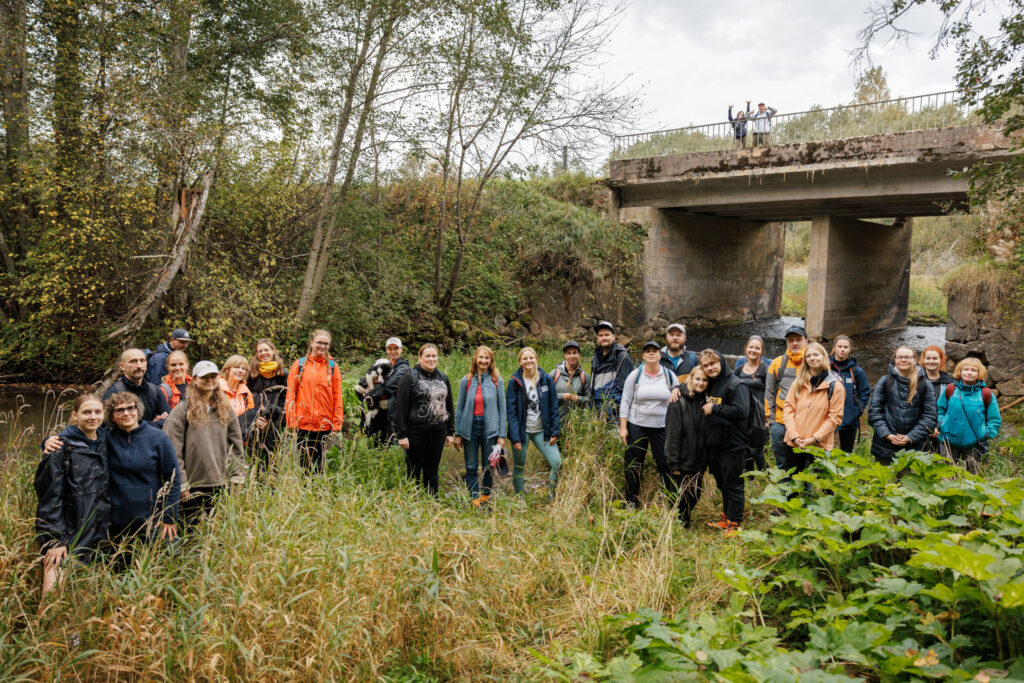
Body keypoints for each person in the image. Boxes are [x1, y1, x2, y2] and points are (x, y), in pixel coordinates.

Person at [34, 393, 110, 606]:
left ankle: (74, 641)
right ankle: (41, 637)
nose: (93, 417)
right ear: (75, 416)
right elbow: (49, 498)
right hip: (66, 534)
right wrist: (54, 540)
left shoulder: (106, 440)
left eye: (97, 412)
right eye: (87, 412)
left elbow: (141, 427)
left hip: (98, 534)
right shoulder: (59, 448)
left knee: (82, 601)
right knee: (52, 601)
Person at [164, 361, 246, 527]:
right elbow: (172, 450)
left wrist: (238, 475)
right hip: (192, 486)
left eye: (213, 376)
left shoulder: (226, 408)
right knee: (190, 532)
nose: (209, 380)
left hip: (221, 483)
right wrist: (181, 484)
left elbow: (236, 444)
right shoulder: (182, 410)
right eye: (204, 377)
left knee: (217, 532)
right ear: (194, 379)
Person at [103, 392, 181, 543]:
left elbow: (173, 478)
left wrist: (169, 516)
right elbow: (78, 436)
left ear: (138, 411)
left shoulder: (157, 437)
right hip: (116, 520)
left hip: (151, 517)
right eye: (119, 410)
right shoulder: (106, 438)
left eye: (131, 408)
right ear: (112, 417)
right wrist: (49, 440)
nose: (126, 413)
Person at [619, 341, 681, 509]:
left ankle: (671, 501)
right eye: (648, 351)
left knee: (665, 464)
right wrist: (623, 428)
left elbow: (678, 392)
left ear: (660, 355)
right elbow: (625, 401)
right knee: (634, 463)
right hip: (637, 425)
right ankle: (631, 500)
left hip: (661, 427)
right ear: (643, 355)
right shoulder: (635, 375)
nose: (652, 353)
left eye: (655, 351)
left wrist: (676, 389)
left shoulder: (669, 375)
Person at [392, 343, 455, 495]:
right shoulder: (410, 377)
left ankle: (432, 504)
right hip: (416, 433)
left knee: (432, 470)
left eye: (434, 356)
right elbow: (399, 408)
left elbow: (449, 405)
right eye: (427, 356)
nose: (431, 359)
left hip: (438, 432)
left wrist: (450, 431)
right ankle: (411, 505)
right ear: (420, 358)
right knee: (414, 471)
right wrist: (402, 434)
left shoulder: (443, 378)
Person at [699, 350, 750, 532]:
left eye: (713, 363)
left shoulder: (736, 385)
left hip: (734, 445)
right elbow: (691, 385)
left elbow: (741, 412)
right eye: (706, 365)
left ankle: (734, 524)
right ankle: (727, 517)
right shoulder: (711, 384)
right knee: (723, 484)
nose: (710, 368)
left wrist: (714, 408)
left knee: (734, 485)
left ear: (721, 361)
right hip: (716, 445)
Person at [781, 342, 845, 488]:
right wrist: (794, 435)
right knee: (793, 480)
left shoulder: (835, 386)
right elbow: (788, 408)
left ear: (824, 357)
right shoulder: (798, 382)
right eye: (808, 356)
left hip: (819, 444)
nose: (812, 358)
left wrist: (814, 438)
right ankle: (791, 509)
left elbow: (835, 417)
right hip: (794, 442)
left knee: (823, 484)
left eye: (816, 354)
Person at [453, 345, 507, 505]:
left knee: (489, 466)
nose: (483, 361)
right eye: (481, 357)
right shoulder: (467, 380)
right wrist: (458, 433)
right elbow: (460, 407)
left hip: (491, 430)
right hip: (470, 428)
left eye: (487, 358)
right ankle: (474, 499)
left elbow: (502, 408)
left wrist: (502, 436)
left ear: (491, 361)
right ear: (475, 359)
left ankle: (486, 498)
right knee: (470, 467)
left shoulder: (497, 381)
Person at [286, 329, 344, 474]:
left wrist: (337, 423)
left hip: (324, 424)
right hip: (303, 423)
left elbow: (338, 396)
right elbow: (290, 394)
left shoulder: (332, 367)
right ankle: (305, 492)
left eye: (326, 344)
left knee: (319, 463)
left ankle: (317, 493)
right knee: (304, 463)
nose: (322, 346)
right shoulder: (299, 365)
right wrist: (291, 420)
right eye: (319, 342)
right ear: (311, 343)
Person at [507, 347, 562, 500]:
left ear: (536, 359)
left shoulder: (546, 379)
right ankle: (520, 498)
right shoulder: (514, 382)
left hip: (541, 431)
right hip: (521, 431)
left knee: (556, 462)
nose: (528, 361)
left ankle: (551, 495)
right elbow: (511, 413)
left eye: (531, 358)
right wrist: (515, 437)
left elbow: (553, 406)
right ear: (520, 362)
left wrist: (554, 431)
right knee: (519, 466)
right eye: (525, 358)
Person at [868, 346, 937, 465]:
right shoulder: (885, 381)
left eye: (907, 357)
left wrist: (910, 437)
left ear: (914, 360)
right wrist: (887, 434)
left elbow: (930, 416)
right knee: (884, 481)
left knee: (908, 482)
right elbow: (875, 412)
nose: (903, 360)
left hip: (914, 447)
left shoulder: (924, 384)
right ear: (895, 359)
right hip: (885, 445)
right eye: (900, 357)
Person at [937, 357, 1002, 473]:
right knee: (947, 476)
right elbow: (939, 409)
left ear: (979, 373)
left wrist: (985, 434)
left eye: (973, 370)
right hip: (948, 441)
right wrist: (942, 424)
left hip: (974, 444)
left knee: (971, 478)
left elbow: (994, 419)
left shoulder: (985, 393)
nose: (969, 372)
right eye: (965, 369)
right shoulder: (951, 389)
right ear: (960, 372)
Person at [664, 367, 709, 527]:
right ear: (690, 379)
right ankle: (679, 529)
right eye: (697, 379)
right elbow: (672, 434)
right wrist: (673, 463)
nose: (701, 383)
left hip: (698, 460)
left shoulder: (705, 400)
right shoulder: (678, 401)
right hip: (681, 460)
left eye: (704, 380)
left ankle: (683, 524)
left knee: (694, 494)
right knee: (679, 497)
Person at [766, 326, 807, 471]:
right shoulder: (777, 363)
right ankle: (784, 491)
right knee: (781, 460)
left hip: (804, 422)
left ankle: (804, 491)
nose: (795, 343)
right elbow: (769, 393)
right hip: (780, 421)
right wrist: (770, 419)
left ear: (806, 341)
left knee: (804, 461)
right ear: (787, 343)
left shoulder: (813, 363)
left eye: (798, 340)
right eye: (791, 340)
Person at [247, 339, 288, 468]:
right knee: (255, 460)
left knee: (273, 462)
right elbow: (248, 399)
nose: (264, 353)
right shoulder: (252, 374)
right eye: (260, 351)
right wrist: (256, 418)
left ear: (273, 351)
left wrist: (272, 411)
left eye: (266, 350)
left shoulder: (283, 374)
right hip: (256, 422)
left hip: (277, 423)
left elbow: (287, 400)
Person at [104, 348, 171, 427]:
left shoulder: (154, 390)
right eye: (133, 361)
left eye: (142, 361)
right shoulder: (114, 393)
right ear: (122, 366)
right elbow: (108, 428)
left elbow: (169, 421)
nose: (139, 365)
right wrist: (152, 425)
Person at [733, 335, 770, 471]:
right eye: (751, 347)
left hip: (759, 415)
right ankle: (750, 479)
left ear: (762, 351)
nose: (753, 350)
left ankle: (766, 476)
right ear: (746, 348)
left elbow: (770, 393)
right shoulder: (739, 369)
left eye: (757, 348)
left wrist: (768, 417)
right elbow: (732, 389)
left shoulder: (765, 369)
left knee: (757, 451)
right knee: (745, 448)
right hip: (743, 413)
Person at [830, 335, 871, 453]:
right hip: (828, 418)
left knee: (847, 454)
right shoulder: (826, 367)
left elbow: (865, 393)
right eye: (840, 346)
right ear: (834, 348)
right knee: (825, 452)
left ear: (850, 349)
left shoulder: (856, 371)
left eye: (845, 347)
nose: (842, 350)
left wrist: (857, 411)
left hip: (849, 419)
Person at [591, 321, 634, 423]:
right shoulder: (596, 357)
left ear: (613, 336)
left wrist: (612, 413)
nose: (604, 338)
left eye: (607, 334)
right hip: (597, 411)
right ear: (597, 338)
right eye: (601, 335)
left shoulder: (621, 356)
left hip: (615, 414)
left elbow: (624, 389)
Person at [920, 345, 954, 453]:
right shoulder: (916, 381)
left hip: (943, 431)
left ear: (941, 360)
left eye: (935, 358)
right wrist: (927, 427)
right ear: (923, 360)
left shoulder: (949, 383)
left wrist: (939, 427)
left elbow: (951, 408)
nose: (931, 361)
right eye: (928, 358)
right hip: (920, 430)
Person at [381, 337, 411, 440]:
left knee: (393, 439)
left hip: (397, 412)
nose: (393, 352)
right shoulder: (387, 366)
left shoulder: (404, 368)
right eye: (390, 349)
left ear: (401, 349)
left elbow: (388, 386)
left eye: (396, 348)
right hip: (386, 410)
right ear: (386, 351)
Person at [552, 341, 590, 422]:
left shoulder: (584, 376)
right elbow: (546, 395)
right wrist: (561, 396)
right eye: (568, 353)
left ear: (579, 354)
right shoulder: (555, 373)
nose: (572, 356)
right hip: (556, 421)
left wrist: (579, 399)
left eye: (575, 353)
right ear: (564, 355)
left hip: (577, 424)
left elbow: (589, 399)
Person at [220, 354, 255, 419]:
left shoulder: (246, 392)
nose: (240, 371)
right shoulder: (216, 389)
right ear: (227, 370)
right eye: (236, 367)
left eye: (243, 369)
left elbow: (250, 415)